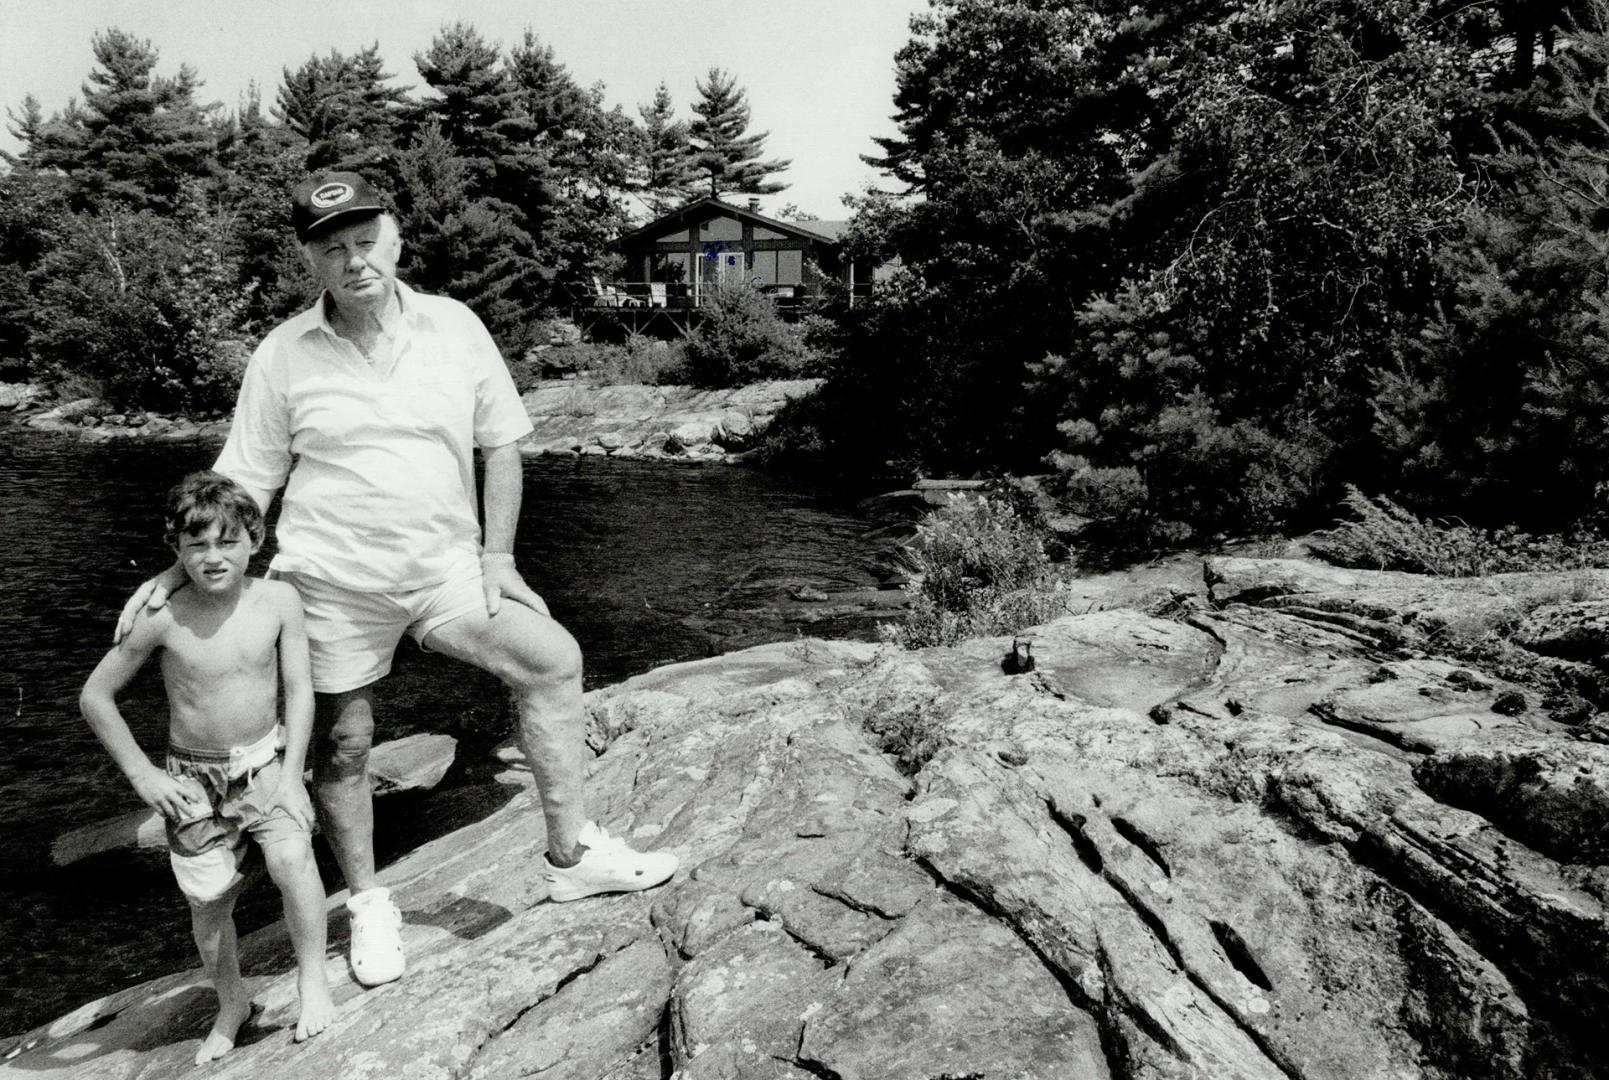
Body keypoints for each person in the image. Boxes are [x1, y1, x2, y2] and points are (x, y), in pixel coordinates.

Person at [117, 171, 677, 988]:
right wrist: (177, 573)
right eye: (332, 248)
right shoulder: (281, 353)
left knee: (551, 659)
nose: (353, 261)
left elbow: (501, 445)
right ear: (311, 260)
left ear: (397, 239)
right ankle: (370, 903)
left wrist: (498, 557)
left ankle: (569, 854)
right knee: (344, 745)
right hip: (330, 580)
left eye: (365, 241)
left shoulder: (455, 326)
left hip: (446, 567)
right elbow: (245, 482)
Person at [83, 471, 335, 1064]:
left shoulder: (279, 601)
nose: (213, 558)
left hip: (265, 764)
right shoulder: (161, 616)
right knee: (210, 900)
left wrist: (293, 772)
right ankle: (231, 1002)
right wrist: (145, 776)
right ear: (176, 551)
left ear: (255, 539)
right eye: (196, 547)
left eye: (228, 542)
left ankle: (314, 982)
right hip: (191, 781)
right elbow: (95, 697)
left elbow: (300, 691)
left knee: (291, 858)